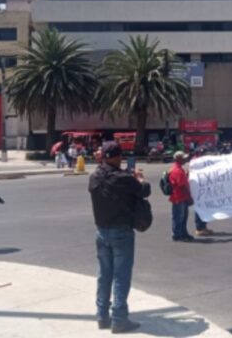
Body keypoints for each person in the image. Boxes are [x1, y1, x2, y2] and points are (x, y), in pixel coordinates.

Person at [88, 142, 149, 333]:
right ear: (116, 157)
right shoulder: (124, 179)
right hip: (121, 231)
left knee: (104, 274)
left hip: (101, 231)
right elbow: (144, 191)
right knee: (121, 276)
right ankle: (120, 318)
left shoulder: (94, 176)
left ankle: (102, 315)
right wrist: (140, 178)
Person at [168, 151, 195, 242]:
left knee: (183, 217)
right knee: (179, 217)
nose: (185, 159)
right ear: (178, 159)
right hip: (179, 197)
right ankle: (177, 235)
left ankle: (183, 233)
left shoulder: (178, 169)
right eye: (183, 158)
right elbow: (182, 186)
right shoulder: (177, 170)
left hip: (180, 197)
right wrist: (189, 197)